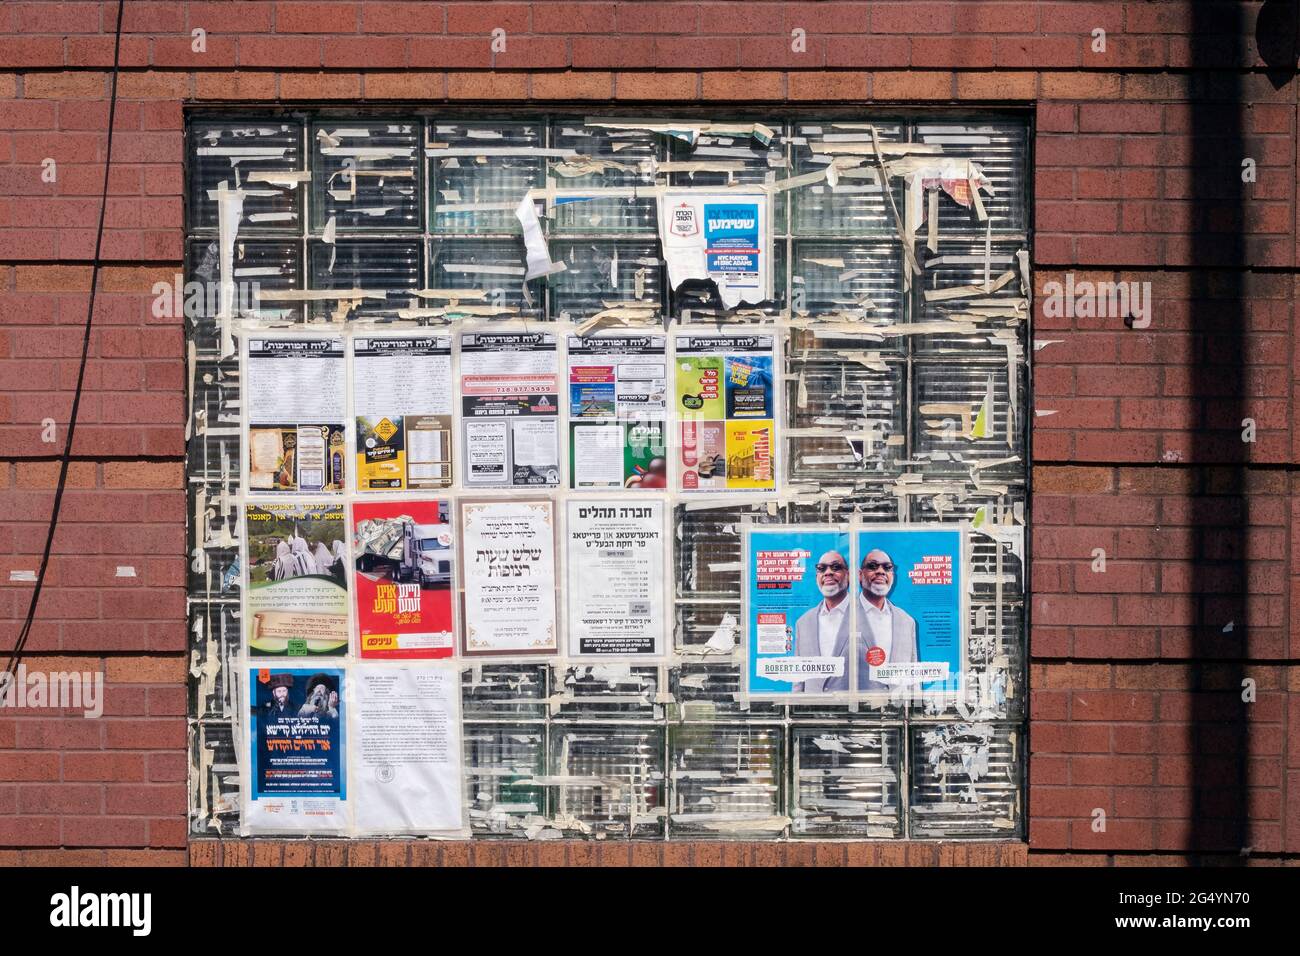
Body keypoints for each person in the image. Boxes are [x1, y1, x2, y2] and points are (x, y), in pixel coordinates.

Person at [856, 548, 917, 692]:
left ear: (892, 575)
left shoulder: (907, 621)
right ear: (860, 575)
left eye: (887, 567)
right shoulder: (842, 615)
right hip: (856, 711)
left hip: (898, 710)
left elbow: (913, 675)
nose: (880, 571)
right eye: (872, 566)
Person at [791, 550, 852, 693]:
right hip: (812, 711)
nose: (828, 572)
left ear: (848, 575)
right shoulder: (803, 622)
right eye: (821, 568)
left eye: (835, 567)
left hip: (856, 711)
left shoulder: (867, 614)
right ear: (816, 576)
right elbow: (798, 679)